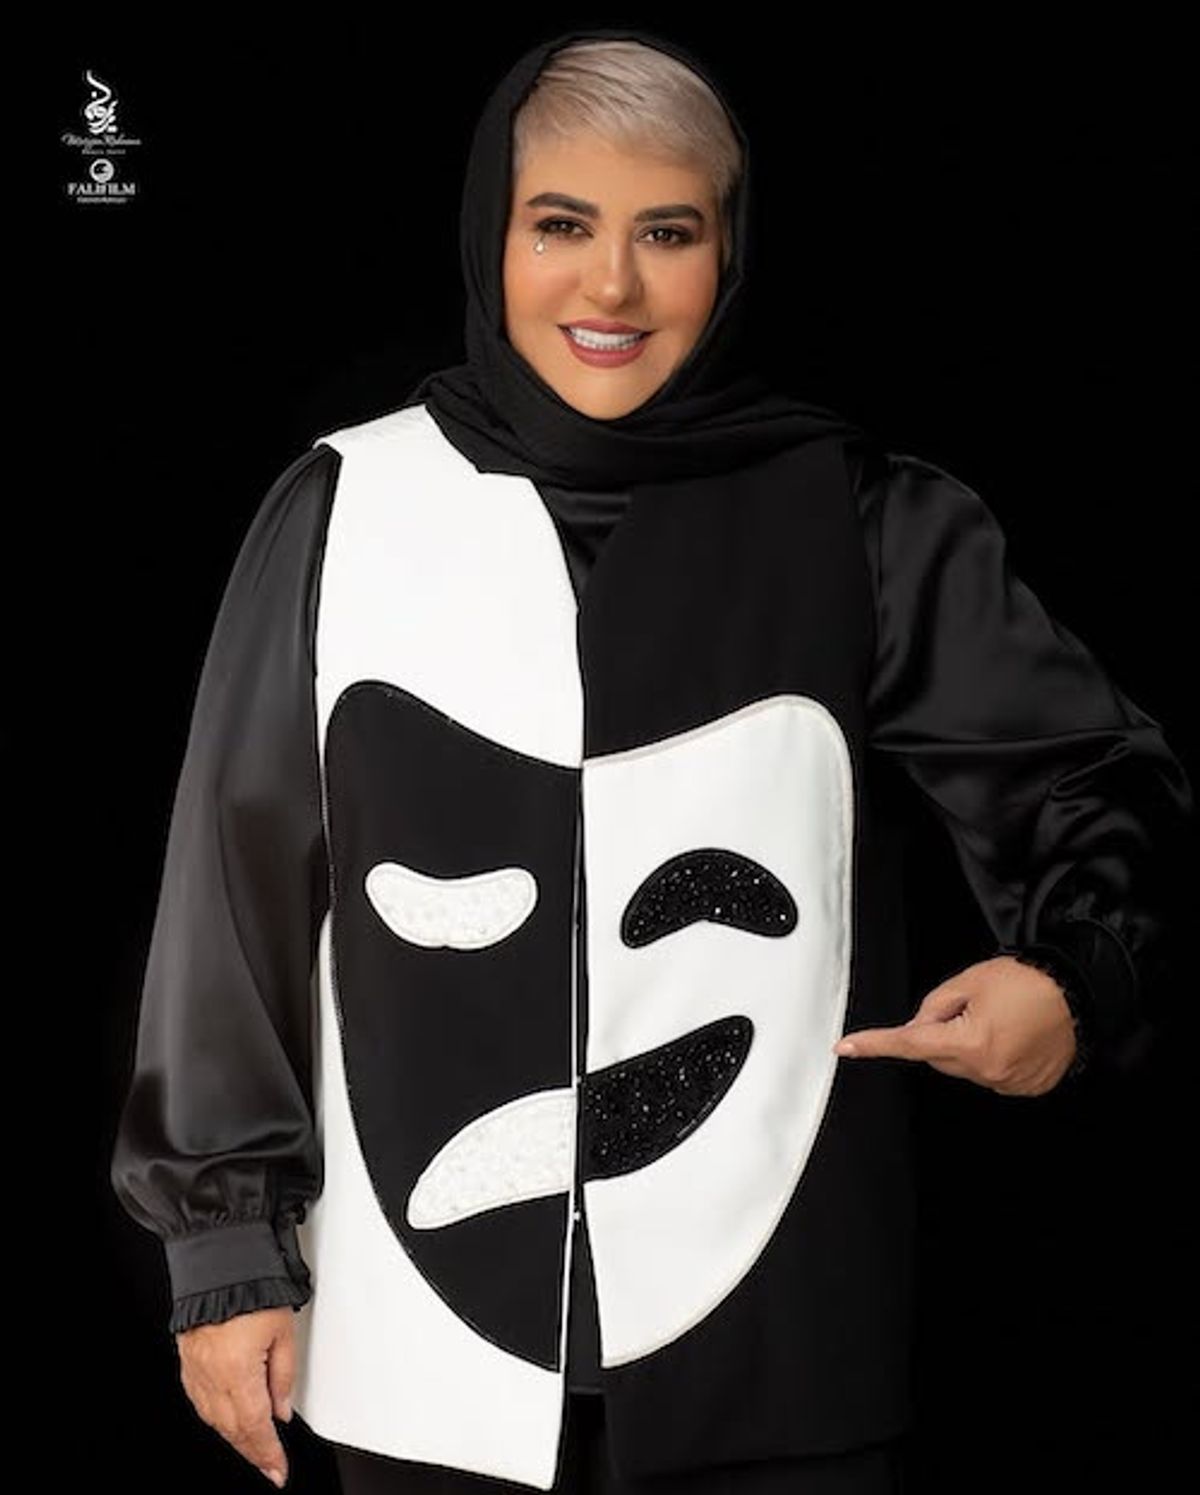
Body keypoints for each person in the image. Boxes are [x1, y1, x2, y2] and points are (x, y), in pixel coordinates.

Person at [108, 25, 1193, 1495]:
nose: (611, 286)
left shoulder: (861, 520)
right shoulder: (344, 505)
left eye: (666, 233)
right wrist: (224, 1249)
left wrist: (1075, 975)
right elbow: (233, 899)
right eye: (561, 225)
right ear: (493, 236)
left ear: (726, 255)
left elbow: (1093, 776)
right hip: (416, 1349)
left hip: (781, 1346)